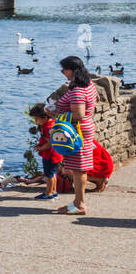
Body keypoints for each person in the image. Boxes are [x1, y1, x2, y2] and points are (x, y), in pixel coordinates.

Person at [54, 56, 97, 214]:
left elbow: (78, 114)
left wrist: (56, 115)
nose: (63, 73)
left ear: (70, 70)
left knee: (79, 170)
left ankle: (80, 205)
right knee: (80, 169)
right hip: (84, 130)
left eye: (63, 70)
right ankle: (77, 202)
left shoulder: (78, 90)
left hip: (77, 133)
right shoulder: (89, 85)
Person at [27, 103, 60, 201]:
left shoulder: (47, 128)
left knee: (48, 175)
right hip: (56, 154)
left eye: (37, 119)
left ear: (45, 117)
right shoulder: (53, 123)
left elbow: (50, 143)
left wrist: (40, 148)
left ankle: (48, 193)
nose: (35, 121)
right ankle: (54, 191)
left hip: (49, 154)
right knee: (53, 173)